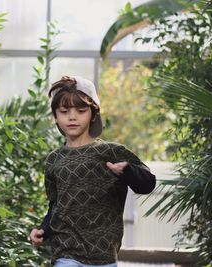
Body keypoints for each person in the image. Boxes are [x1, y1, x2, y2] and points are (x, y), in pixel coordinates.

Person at [29, 76, 156, 267]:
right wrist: (43, 230)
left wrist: (127, 171)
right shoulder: (54, 160)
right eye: (64, 111)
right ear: (55, 116)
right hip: (66, 253)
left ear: (93, 114)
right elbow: (57, 206)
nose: (72, 117)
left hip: (104, 255)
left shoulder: (111, 152)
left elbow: (148, 184)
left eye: (81, 111)